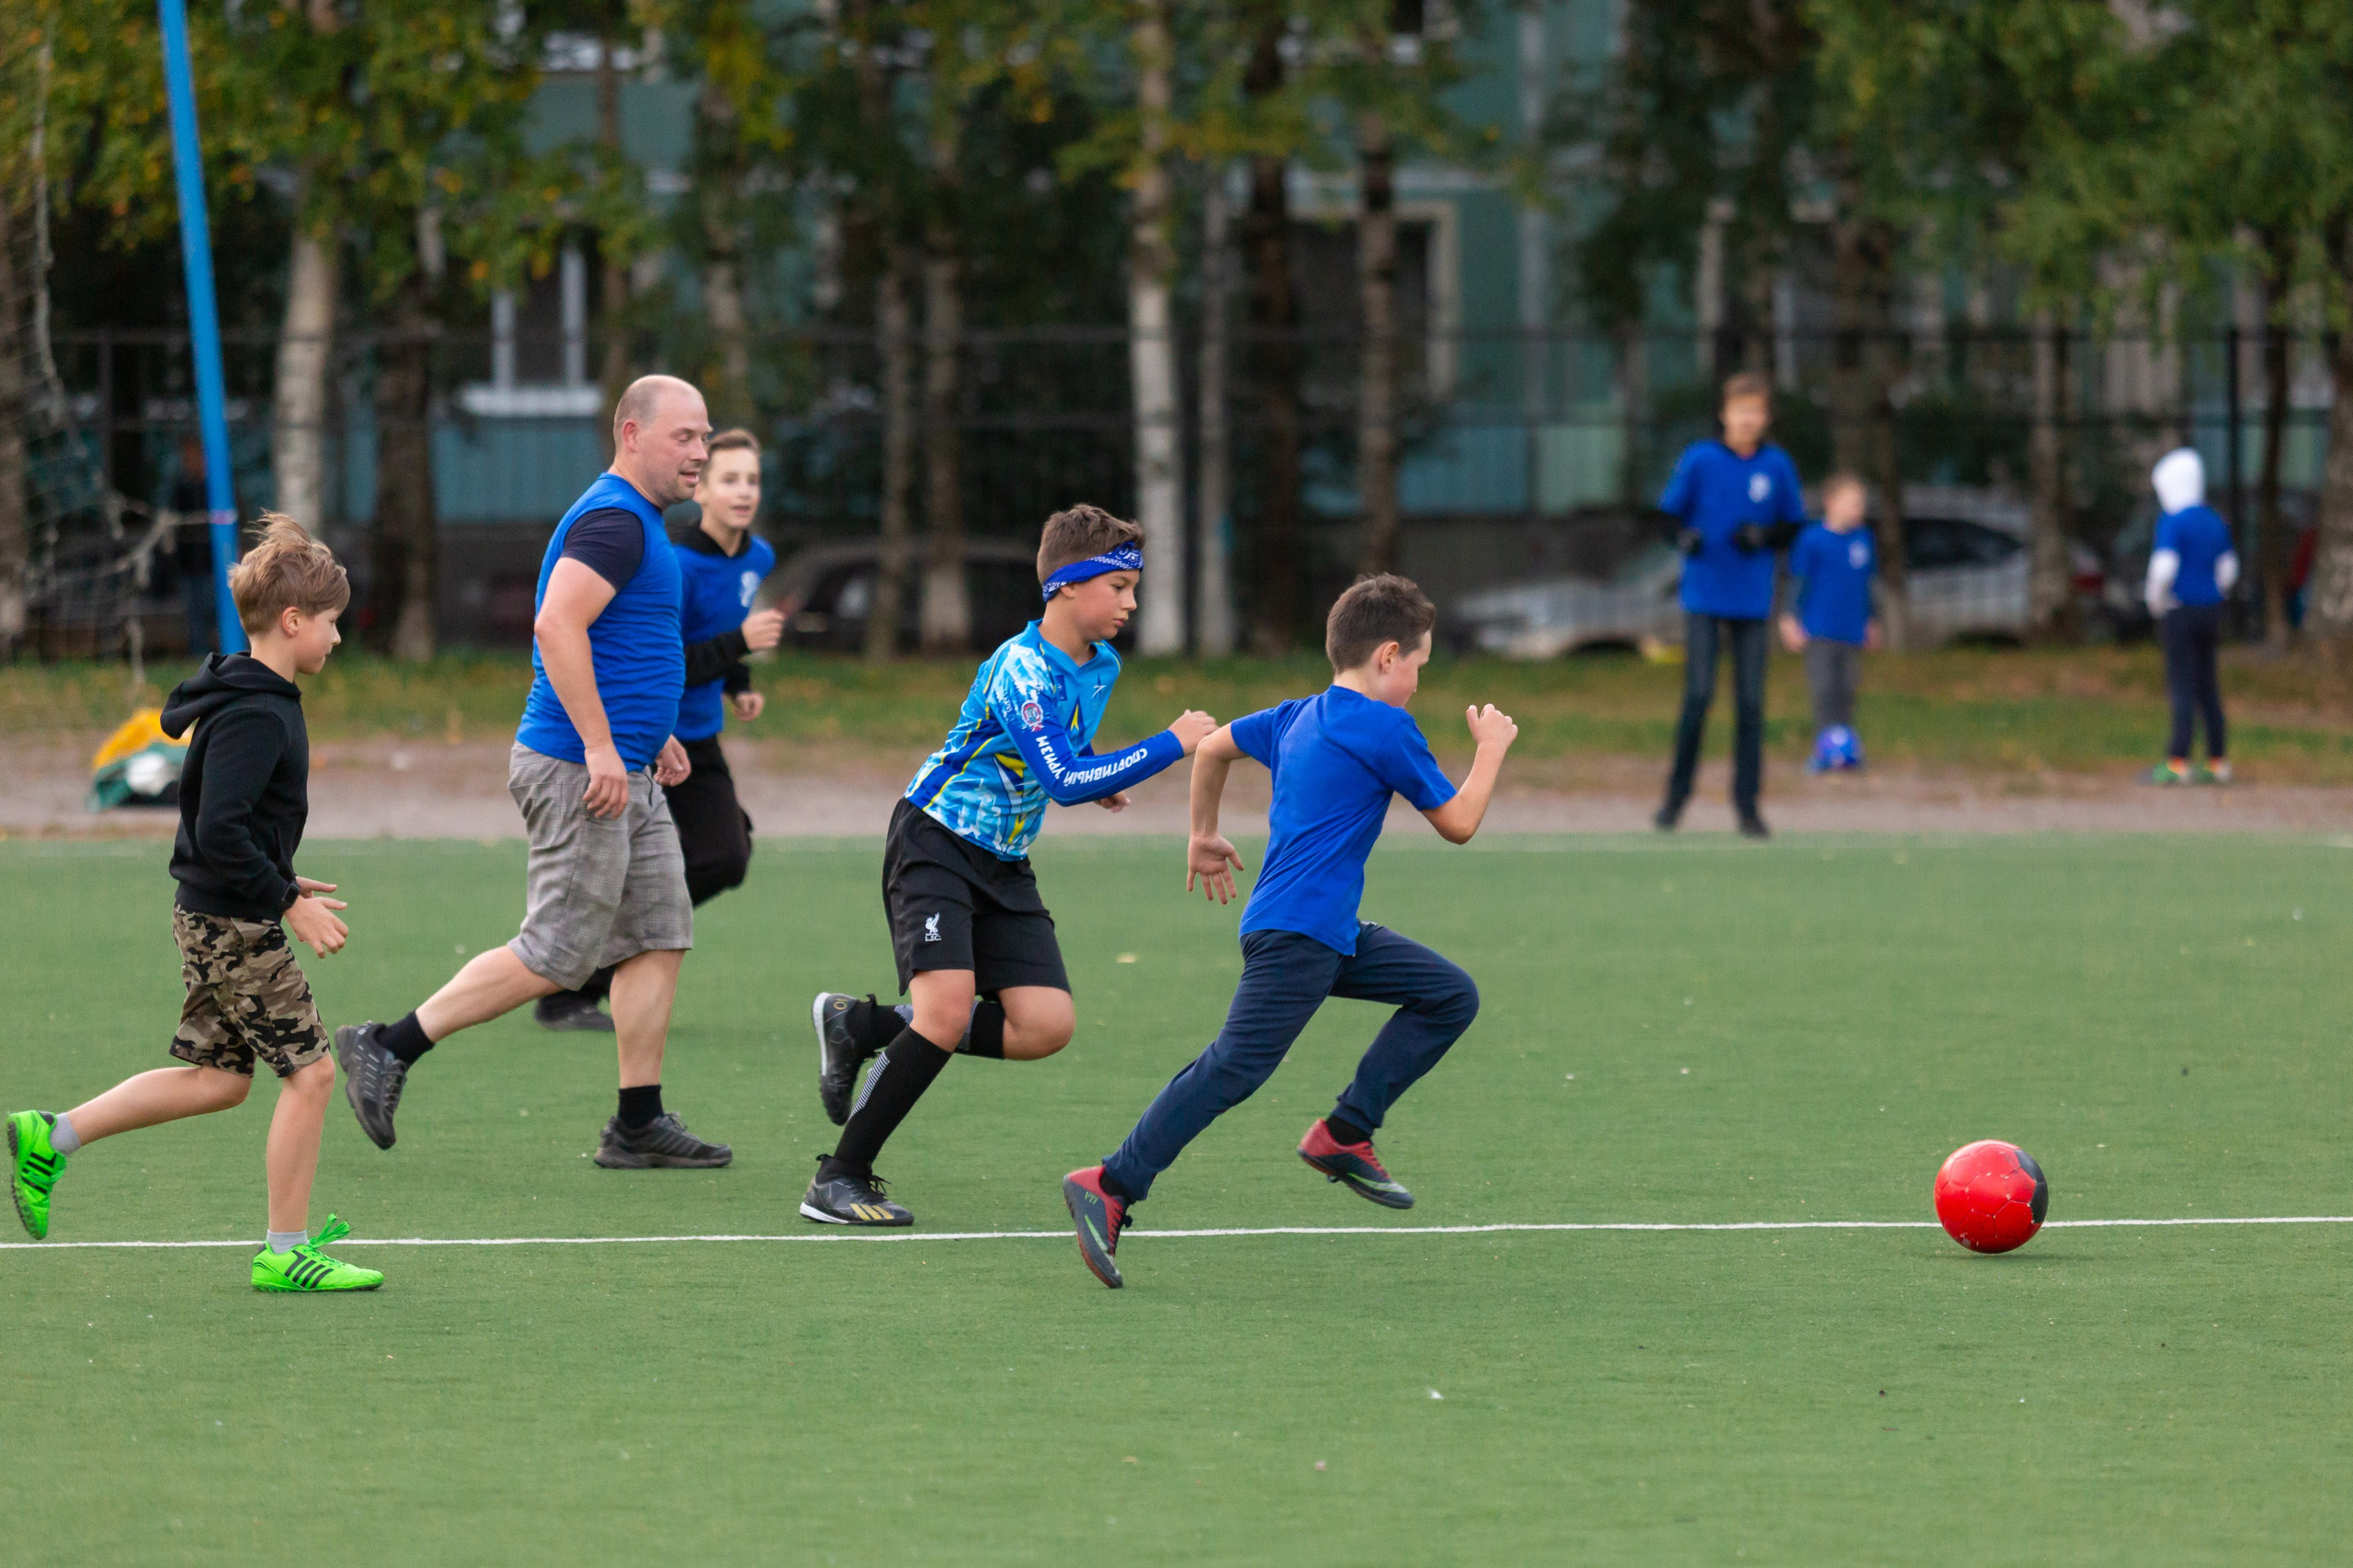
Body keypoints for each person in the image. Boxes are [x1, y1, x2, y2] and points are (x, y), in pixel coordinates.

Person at [1063, 574, 1518, 1290]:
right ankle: (1111, 1183)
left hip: (1322, 931)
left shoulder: (1297, 715)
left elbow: (1211, 749)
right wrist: (1490, 748)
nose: (1418, 685)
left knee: (1447, 995)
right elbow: (1458, 824)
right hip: (1301, 935)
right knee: (1234, 1068)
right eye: (1420, 668)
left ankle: (1344, 1133)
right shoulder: (1386, 727)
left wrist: (1203, 833)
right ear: (1388, 656)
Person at [335, 375, 733, 1170]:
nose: (701, 452)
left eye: (705, 435)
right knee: (557, 952)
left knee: (659, 933)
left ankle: (637, 1123)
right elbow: (556, 625)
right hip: (580, 771)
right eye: (684, 436)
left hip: (629, 767)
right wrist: (599, 746)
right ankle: (387, 1045)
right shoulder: (617, 522)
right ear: (630, 433)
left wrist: (650, 735)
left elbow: (621, 640)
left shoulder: (640, 523)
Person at [801, 504, 1217, 1227]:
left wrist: (1100, 777)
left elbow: (1062, 758)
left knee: (1045, 1025)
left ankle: (861, 1026)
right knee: (944, 1012)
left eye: (1133, 588)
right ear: (1065, 587)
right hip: (935, 840)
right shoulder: (1023, 669)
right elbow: (1059, 778)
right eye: (1118, 587)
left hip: (1004, 859)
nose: (1131, 603)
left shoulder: (1101, 664)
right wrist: (1168, 745)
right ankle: (839, 1177)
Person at [7, 517, 385, 1291]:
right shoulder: (255, 711)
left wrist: (281, 871)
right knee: (311, 1076)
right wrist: (284, 899)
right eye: (331, 624)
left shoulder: (254, 693)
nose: (337, 641)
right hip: (234, 923)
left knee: (221, 1079)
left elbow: (233, 825)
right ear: (292, 622)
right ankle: (285, 1251)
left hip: (217, 913)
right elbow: (217, 830)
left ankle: (53, 1136)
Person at [536, 426, 785, 1031]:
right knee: (703, 858)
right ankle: (569, 987)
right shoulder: (675, 560)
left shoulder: (758, 558)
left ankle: (595, 969)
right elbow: (672, 658)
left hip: (699, 735)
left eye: (751, 479)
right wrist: (738, 646)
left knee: (725, 855)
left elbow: (718, 639)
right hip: (658, 737)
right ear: (700, 489)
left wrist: (739, 681)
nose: (742, 491)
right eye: (728, 479)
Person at [1654, 371, 1807, 837]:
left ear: (1765, 418)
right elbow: (1665, 516)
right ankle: (1675, 800)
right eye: (1740, 410)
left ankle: (1748, 806)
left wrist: (1764, 536)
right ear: (1725, 414)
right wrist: (1685, 538)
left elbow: (1794, 525)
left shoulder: (1776, 466)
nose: (1747, 420)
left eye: (1756, 411)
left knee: (1751, 703)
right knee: (1699, 695)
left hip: (1751, 600)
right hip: (1704, 595)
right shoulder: (1700, 459)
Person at [2145, 448, 2237, 785]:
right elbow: (2229, 569)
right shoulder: (2215, 521)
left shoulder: (2173, 522)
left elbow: (2164, 568)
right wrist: (2214, 594)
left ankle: (2178, 760)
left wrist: (2156, 601)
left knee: (2182, 685)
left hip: (2180, 611)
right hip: (2212, 612)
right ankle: (2217, 761)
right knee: (2208, 686)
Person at [1779, 472, 1880, 772]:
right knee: (1823, 688)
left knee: (1847, 688)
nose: (1858, 509)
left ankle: (1846, 749)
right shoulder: (1812, 540)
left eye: (1860, 503)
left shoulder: (1863, 540)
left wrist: (1871, 621)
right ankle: (1824, 750)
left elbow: (1868, 585)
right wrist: (1789, 619)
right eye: (1852, 503)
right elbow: (1798, 582)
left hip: (1851, 629)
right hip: (1819, 629)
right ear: (1831, 503)